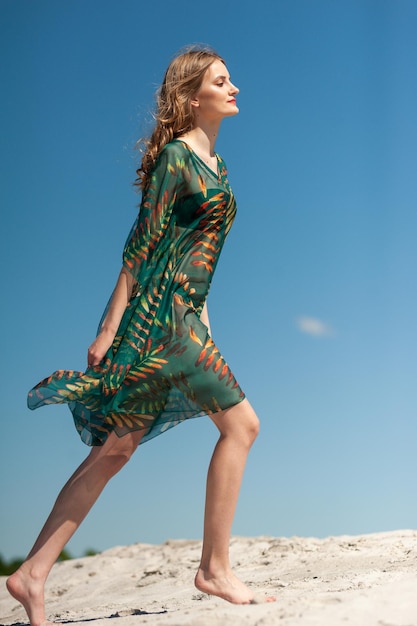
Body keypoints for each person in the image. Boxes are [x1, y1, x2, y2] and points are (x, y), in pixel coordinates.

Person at [7, 46, 275, 625]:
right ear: (191, 96)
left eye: (231, 79)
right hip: (163, 321)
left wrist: (206, 319)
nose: (234, 88)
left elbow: (195, 254)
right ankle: (214, 568)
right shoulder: (177, 158)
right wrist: (107, 328)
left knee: (115, 450)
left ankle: (31, 574)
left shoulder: (217, 168)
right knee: (242, 425)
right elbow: (140, 246)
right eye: (221, 81)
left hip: (188, 319)